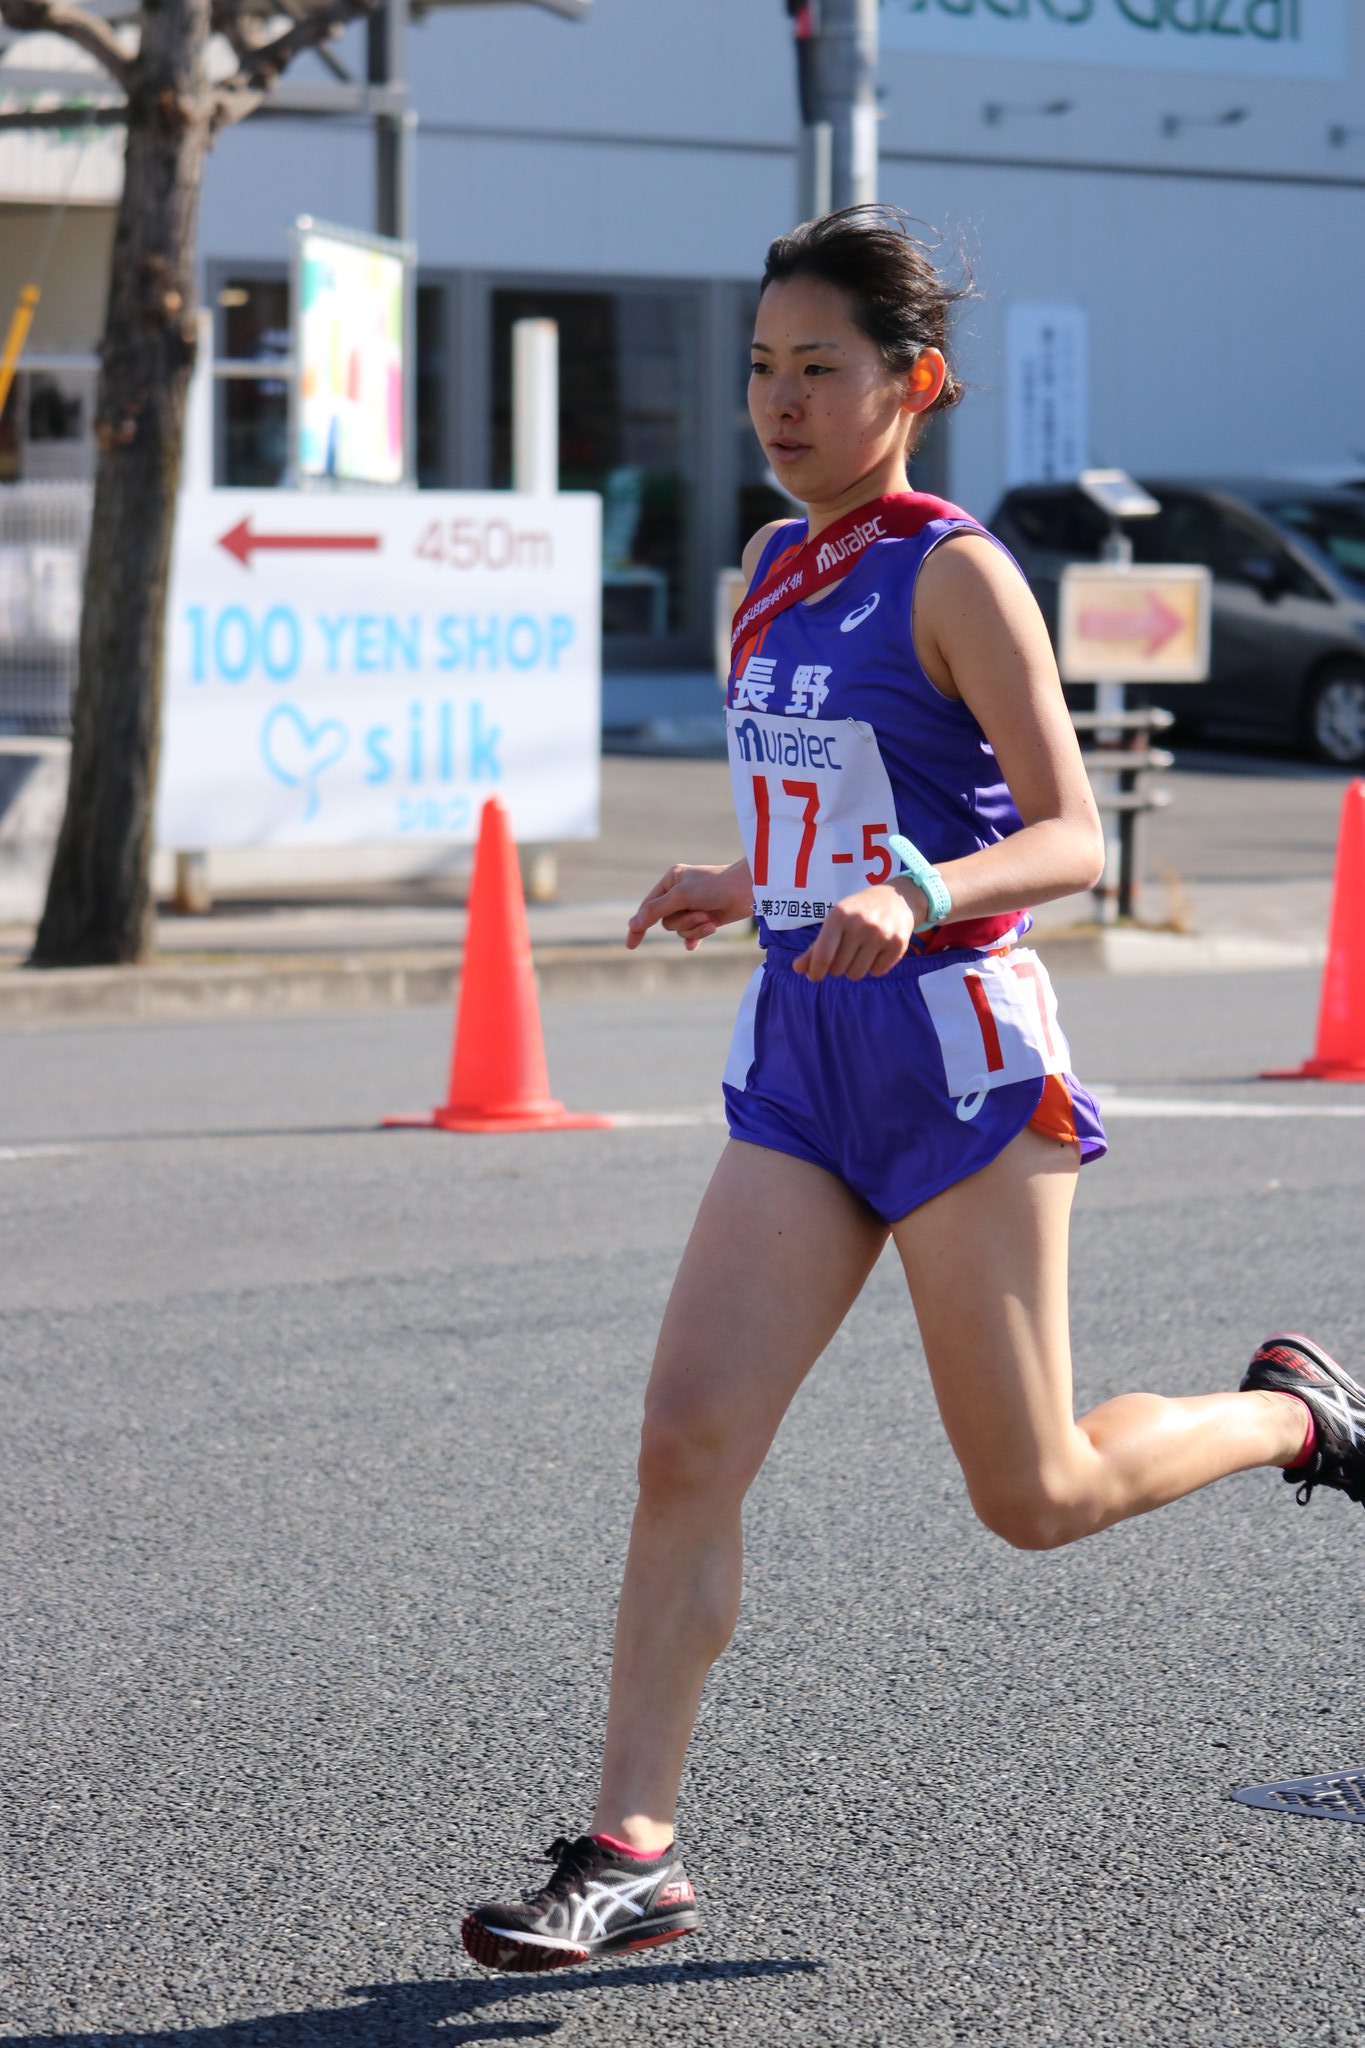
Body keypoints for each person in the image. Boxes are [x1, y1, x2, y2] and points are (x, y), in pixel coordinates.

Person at [461, 206, 1365, 1976]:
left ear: (914, 384)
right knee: (683, 1445)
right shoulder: (769, 572)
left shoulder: (956, 569)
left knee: (1029, 1495)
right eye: (760, 371)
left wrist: (914, 895)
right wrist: (759, 881)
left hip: (959, 1054)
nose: (780, 403)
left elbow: (1065, 833)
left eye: (821, 372)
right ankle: (626, 1846)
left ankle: (1293, 1417)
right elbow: (845, 802)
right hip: (804, 1051)